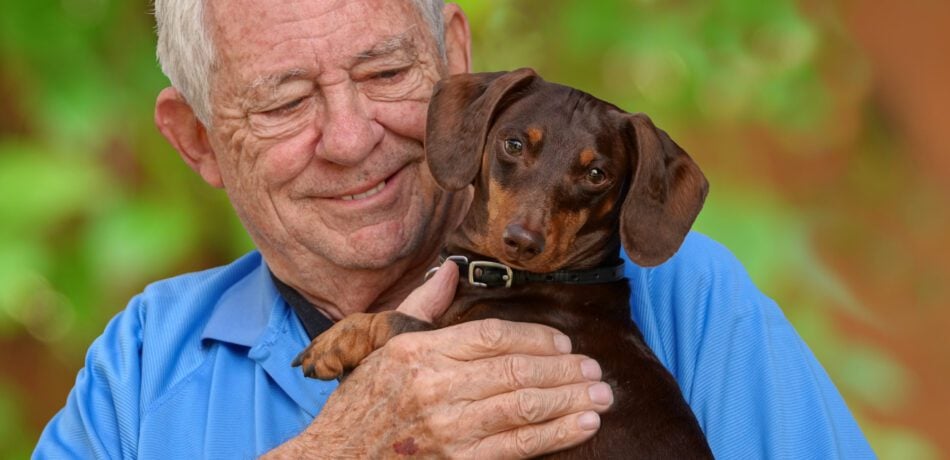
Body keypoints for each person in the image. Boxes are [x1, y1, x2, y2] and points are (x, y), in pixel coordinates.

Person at [33, 0, 874, 458]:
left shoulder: (684, 301)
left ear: (456, 62)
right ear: (197, 139)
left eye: (388, 70)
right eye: (285, 101)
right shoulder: (142, 370)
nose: (353, 137)